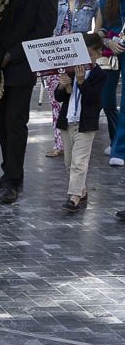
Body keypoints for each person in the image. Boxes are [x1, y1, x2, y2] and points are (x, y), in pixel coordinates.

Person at [0, 0, 59, 204]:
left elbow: (42, 32)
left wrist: (12, 55)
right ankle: (9, 169)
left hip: (20, 66)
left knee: (15, 123)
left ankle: (15, 180)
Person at [44, 0, 100, 157]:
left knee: (78, 97)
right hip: (57, 54)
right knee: (56, 97)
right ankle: (59, 143)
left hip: (79, 54)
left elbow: (98, 31)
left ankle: (78, 142)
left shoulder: (93, 1)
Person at [54, 32, 106, 213]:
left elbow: (94, 100)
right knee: (69, 162)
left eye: (90, 55)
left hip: (86, 124)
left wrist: (82, 82)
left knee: (79, 162)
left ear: (98, 54)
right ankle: (81, 191)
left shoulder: (99, 74)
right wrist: (62, 85)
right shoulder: (71, 70)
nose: (85, 59)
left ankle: (74, 197)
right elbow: (59, 97)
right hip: (68, 121)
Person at [98, 0, 125, 166]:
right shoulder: (106, 4)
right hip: (110, 55)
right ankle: (116, 138)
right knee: (106, 98)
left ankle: (120, 150)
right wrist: (109, 42)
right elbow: (99, 31)